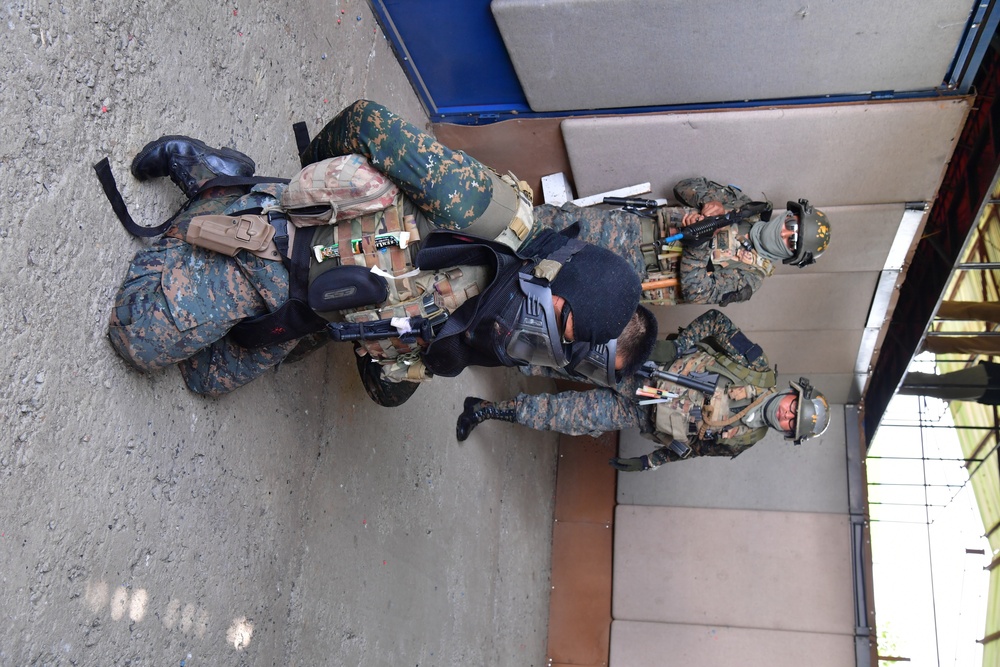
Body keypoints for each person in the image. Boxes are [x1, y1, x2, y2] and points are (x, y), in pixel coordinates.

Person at [107, 112, 656, 399]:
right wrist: (301, 185)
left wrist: (434, 357)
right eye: (562, 320)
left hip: (319, 310)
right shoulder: (486, 209)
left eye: (565, 341)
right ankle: (222, 180)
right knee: (137, 342)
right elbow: (367, 122)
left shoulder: (511, 334)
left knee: (205, 379)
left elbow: (415, 324)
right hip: (280, 248)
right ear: (556, 276)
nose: (548, 338)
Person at [454, 309, 831, 471]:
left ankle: (483, 410)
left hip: (641, 413)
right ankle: (478, 341)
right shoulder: (757, 366)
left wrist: (654, 461)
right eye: (794, 409)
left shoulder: (747, 438)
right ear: (794, 395)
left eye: (791, 423)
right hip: (641, 369)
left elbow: (694, 448)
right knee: (555, 357)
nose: (786, 415)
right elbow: (717, 322)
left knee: (562, 416)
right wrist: (679, 346)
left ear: (787, 433)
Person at [534, 179, 832, 307]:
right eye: (791, 226)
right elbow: (684, 186)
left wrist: (698, 242)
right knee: (550, 222)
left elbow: (695, 292)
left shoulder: (749, 279)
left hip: (631, 274)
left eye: (792, 242)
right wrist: (710, 205)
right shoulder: (745, 208)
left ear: (791, 255)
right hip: (632, 229)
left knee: (548, 278)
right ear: (789, 215)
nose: (784, 234)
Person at [899, 361, 1000, 405]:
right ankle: (893, 379)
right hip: (989, 382)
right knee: (937, 386)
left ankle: (894, 380)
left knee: (937, 386)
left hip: (988, 387)